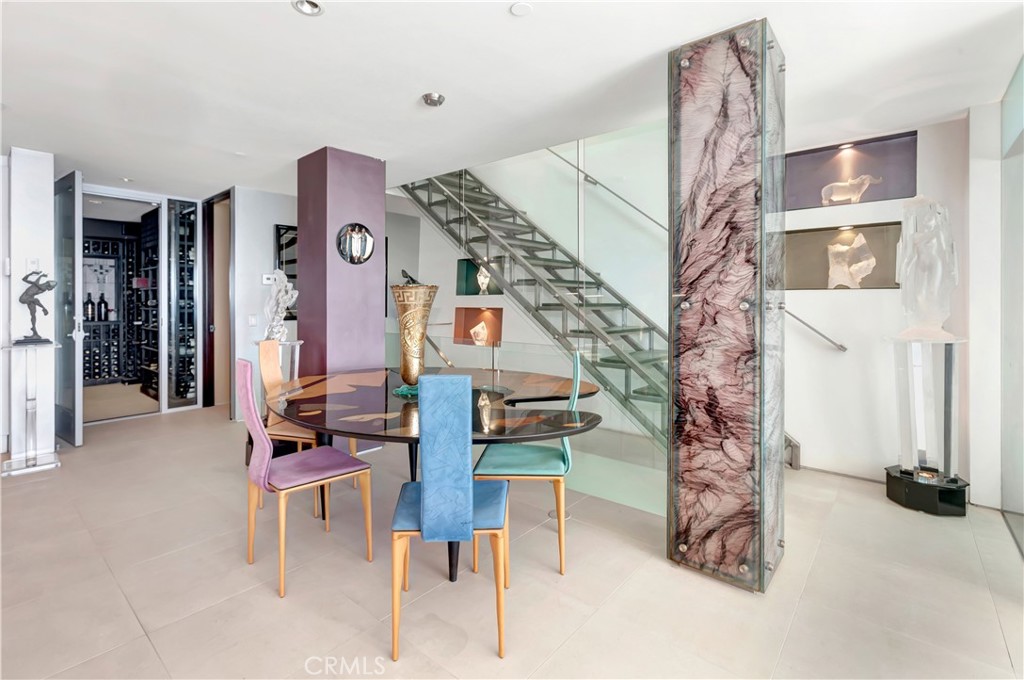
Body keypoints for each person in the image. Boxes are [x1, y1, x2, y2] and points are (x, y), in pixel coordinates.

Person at [19, 271, 57, 341]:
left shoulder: (42, 288)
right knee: (35, 301)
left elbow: (35, 283)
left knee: (33, 314)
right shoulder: (38, 286)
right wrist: (32, 273)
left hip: (29, 299)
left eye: (47, 285)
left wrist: (40, 276)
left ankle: (35, 332)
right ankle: (44, 309)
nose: (46, 285)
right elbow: (24, 279)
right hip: (23, 299)